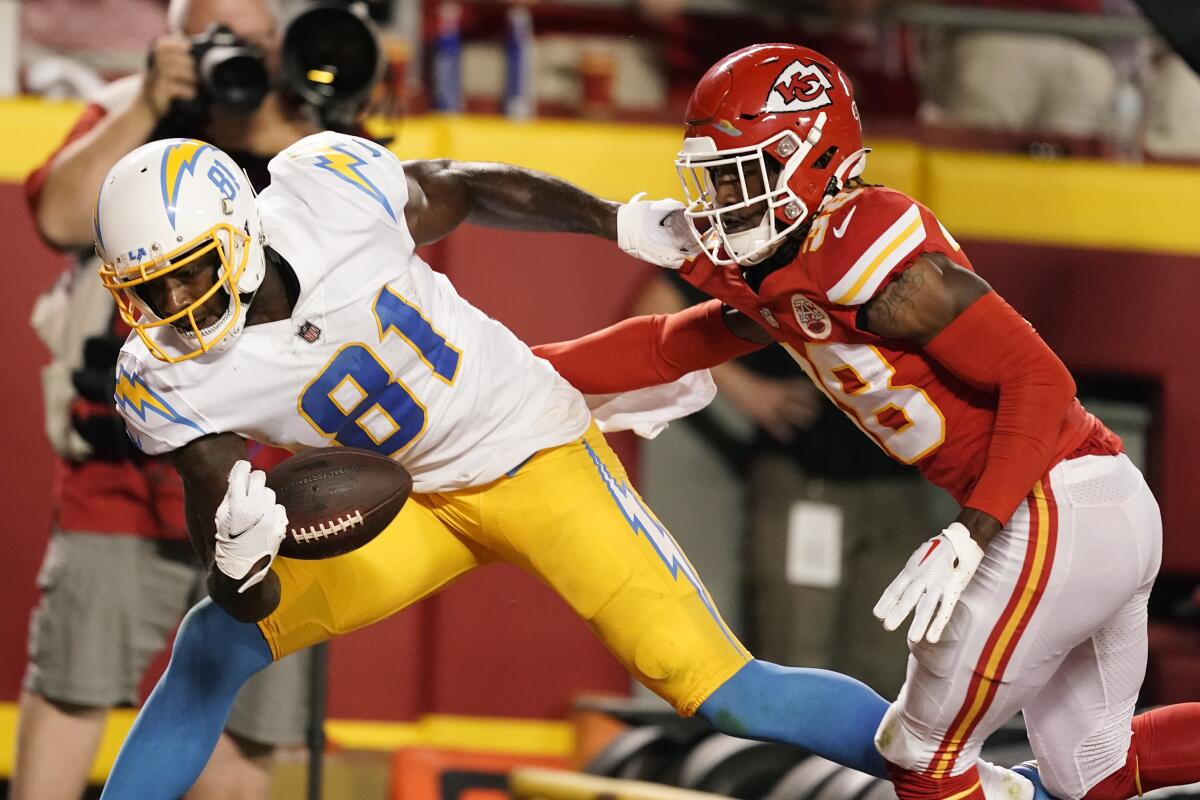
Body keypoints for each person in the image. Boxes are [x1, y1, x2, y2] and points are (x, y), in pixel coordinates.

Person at [88, 130, 1038, 799]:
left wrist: (618, 224)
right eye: (147, 289)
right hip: (408, 501)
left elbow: (469, 186)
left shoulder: (325, 193)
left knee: (728, 692)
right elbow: (235, 574)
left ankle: (983, 781)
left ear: (242, 229)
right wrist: (245, 568)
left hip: (530, 449)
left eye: (190, 268)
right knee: (214, 642)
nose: (174, 303)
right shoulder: (167, 379)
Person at [539, 43, 1200, 800]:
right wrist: (513, 367)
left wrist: (971, 530)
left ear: (811, 159)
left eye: (739, 173)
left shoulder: (862, 243)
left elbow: (1040, 379)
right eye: (715, 177)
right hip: (1094, 504)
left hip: (1049, 504)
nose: (721, 198)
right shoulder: (789, 273)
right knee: (1094, 771)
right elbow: (665, 347)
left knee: (920, 755)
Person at [16, 0, 322, 797]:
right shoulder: (128, 107)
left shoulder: (299, 125)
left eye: (252, 42)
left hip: (276, 472)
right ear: (170, 43)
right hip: (123, 468)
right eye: (212, 40)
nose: (234, 56)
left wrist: (270, 128)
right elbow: (54, 213)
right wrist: (154, 105)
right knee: (73, 683)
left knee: (249, 724)